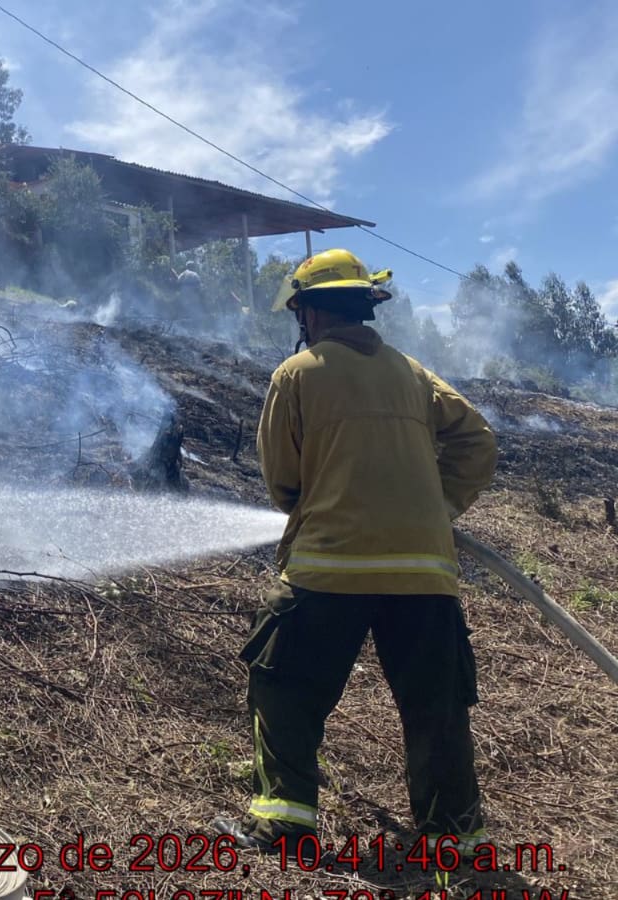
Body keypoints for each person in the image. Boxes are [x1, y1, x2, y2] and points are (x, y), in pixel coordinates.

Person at [214, 248, 498, 865]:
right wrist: (436, 510)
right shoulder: (413, 373)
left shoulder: (298, 373)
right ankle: (453, 842)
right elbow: (477, 441)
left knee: (283, 683)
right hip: (424, 574)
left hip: (328, 566)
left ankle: (286, 823)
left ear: (309, 312)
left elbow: (284, 483)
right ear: (367, 306)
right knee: (436, 708)